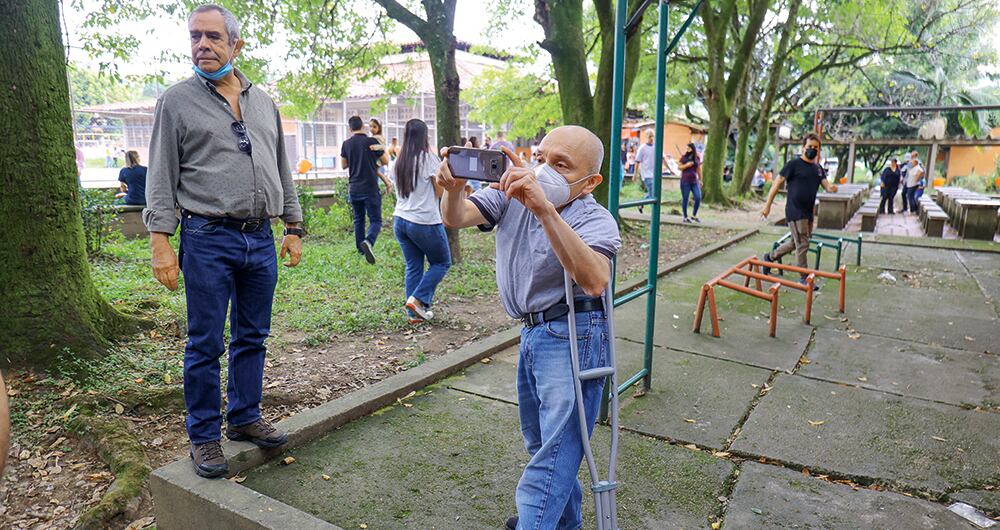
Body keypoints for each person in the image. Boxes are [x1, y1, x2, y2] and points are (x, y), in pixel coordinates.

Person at [143, 3, 304, 478]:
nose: (202, 45)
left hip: (260, 238)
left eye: (213, 37)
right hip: (207, 236)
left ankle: (245, 417)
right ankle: (204, 436)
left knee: (252, 336)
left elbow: (281, 170)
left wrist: (293, 227)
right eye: (195, 37)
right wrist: (160, 241)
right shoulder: (176, 101)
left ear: (236, 44)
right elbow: (161, 175)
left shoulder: (263, 102)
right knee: (205, 341)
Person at [436, 125, 620, 530]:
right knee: (544, 445)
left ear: (589, 182)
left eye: (561, 165)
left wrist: (545, 209)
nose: (544, 169)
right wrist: (453, 189)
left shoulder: (596, 218)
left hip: (575, 331)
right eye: (542, 157)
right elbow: (456, 217)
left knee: (554, 454)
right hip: (531, 331)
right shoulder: (511, 193)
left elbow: (595, 279)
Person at [392, 119, 451, 324]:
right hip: (424, 221)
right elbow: (439, 191)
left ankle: (413, 315)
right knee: (442, 262)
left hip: (400, 220)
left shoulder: (398, 161)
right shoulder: (429, 160)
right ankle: (418, 300)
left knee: (414, 266)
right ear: (424, 136)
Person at [760, 134, 838, 288]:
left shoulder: (818, 169)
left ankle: (769, 257)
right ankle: (804, 278)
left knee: (795, 243)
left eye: (816, 148)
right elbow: (777, 183)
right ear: (804, 147)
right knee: (803, 243)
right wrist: (767, 205)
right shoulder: (794, 164)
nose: (812, 150)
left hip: (808, 212)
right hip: (795, 211)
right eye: (810, 147)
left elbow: (826, 185)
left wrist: (833, 188)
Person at [342, 115, 391, 264]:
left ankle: (360, 250)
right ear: (363, 126)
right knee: (375, 220)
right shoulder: (372, 141)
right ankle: (369, 242)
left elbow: (344, 165)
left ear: (350, 129)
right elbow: (386, 161)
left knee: (359, 220)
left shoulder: (346, 144)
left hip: (354, 187)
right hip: (370, 187)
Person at [633, 130, 658, 213]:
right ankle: (654, 211)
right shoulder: (642, 148)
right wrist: (635, 174)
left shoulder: (656, 146)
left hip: (655, 174)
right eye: (650, 136)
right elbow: (637, 161)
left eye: (652, 136)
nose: (651, 138)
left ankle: (641, 202)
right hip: (647, 174)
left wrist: (669, 169)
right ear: (646, 137)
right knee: (653, 192)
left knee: (653, 192)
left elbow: (662, 158)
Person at [678, 142, 702, 223]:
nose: (687, 150)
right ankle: (685, 216)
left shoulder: (697, 158)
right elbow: (679, 167)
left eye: (689, 148)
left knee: (698, 197)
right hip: (685, 181)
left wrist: (701, 180)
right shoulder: (684, 158)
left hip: (694, 181)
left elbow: (699, 169)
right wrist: (687, 165)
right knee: (685, 198)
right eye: (686, 148)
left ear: (693, 149)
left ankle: (694, 215)